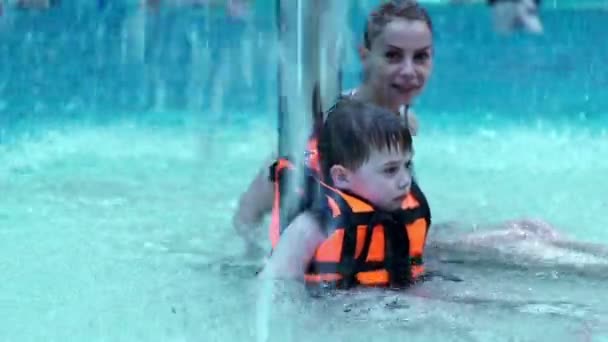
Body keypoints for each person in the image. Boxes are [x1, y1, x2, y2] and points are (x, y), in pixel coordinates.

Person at [234, 0, 434, 254]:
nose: (409, 70)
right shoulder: (331, 125)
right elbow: (247, 215)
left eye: (421, 57)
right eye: (393, 56)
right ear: (365, 57)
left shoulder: (404, 121)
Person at [260, 99, 431, 288]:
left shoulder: (402, 213)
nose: (406, 180)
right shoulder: (314, 224)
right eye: (390, 170)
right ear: (341, 177)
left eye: (407, 165)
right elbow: (275, 283)